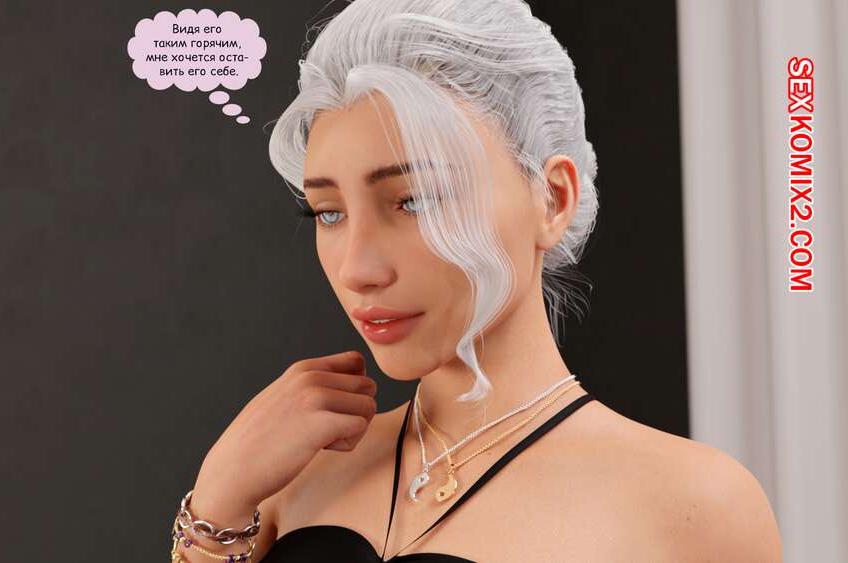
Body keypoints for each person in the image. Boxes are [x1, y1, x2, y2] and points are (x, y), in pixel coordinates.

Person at [168, 1, 783, 561]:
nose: (358, 269)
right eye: (328, 213)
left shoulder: (694, 506)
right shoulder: (290, 476)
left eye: (414, 200)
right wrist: (218, 501)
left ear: (552, 199)